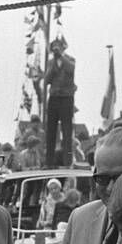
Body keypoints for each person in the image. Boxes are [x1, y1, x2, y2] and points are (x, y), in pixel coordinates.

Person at [43, 38, 76, 167]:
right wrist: (53, 65)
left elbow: (71, 70)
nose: (56, 49)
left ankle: (68, 162)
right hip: (54, 98)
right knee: (51, 130)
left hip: (66, 98)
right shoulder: (50, 62)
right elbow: (47, 80)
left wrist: (61, 58)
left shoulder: (70, 59)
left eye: (58, 47)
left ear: (63, 48)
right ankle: (49, 162)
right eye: (54, 47)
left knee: (67, 131)